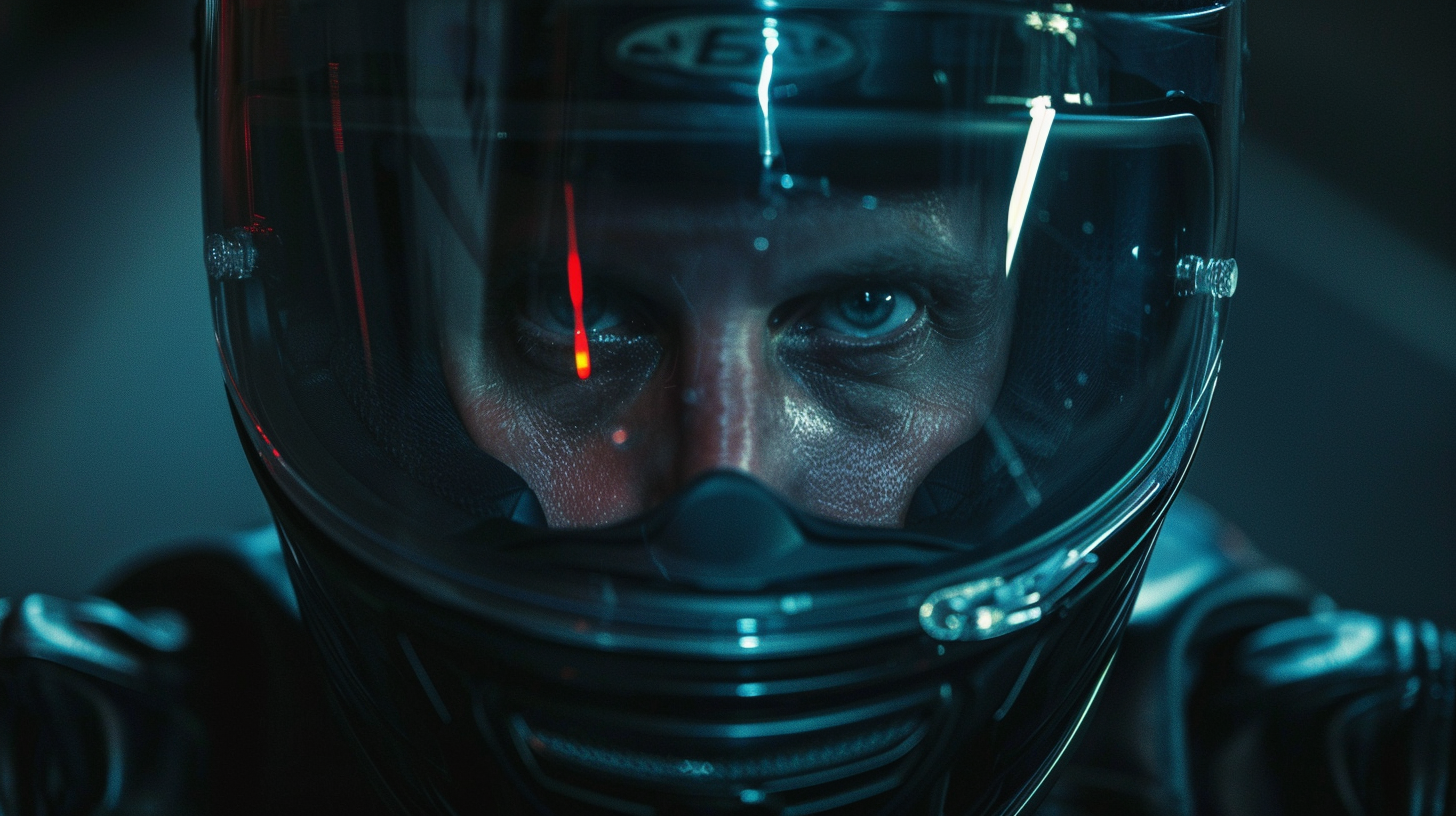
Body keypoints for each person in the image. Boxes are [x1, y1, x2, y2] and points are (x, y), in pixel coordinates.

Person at [2, 0, 1452, 813]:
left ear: (1045, 336)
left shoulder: (1287, 749)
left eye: (867, 311)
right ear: (359, 332)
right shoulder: (146, 741)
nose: (721, 490)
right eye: (577, 317)